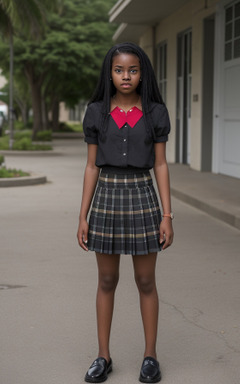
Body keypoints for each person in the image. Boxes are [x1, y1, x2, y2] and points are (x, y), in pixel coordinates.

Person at [77, 42, 174, 383]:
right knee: (106, 280)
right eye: (119, 70)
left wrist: (167, 215)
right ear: (110, 74)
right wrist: (83, 215)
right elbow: (91, 167)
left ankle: (151, 356)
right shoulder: (96, 113)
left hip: (142, 196)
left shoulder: (156, 112)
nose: (126, 76)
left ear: (142, 73)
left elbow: (160, 164)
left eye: (133, 70)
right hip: (106, 197)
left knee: (145, 280)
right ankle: (103, 357)